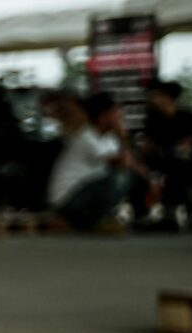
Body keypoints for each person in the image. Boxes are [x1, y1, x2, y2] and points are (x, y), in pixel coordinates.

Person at [45, 90, 147, 230]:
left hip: (87, 190)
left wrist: (148, 178)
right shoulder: (87, 136)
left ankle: (141, 216)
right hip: (68, 198)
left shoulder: (109, 139)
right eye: (116, 114)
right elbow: (122, 163)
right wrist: (121, 135)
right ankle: (98, 219)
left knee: (132, 176)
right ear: (103, 116)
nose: (120, 119)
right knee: (121, 177)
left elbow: (131, 163)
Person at [140, 80, 190, 226]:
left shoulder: (185, 117)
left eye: (155, 96)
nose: (152, 100)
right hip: (159, 159)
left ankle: (172, 212)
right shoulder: (152, 118)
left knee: (179, 167)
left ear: (167, 97)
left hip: (180, 161)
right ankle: (144, 212)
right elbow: (147, 146)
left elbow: (186, 146)